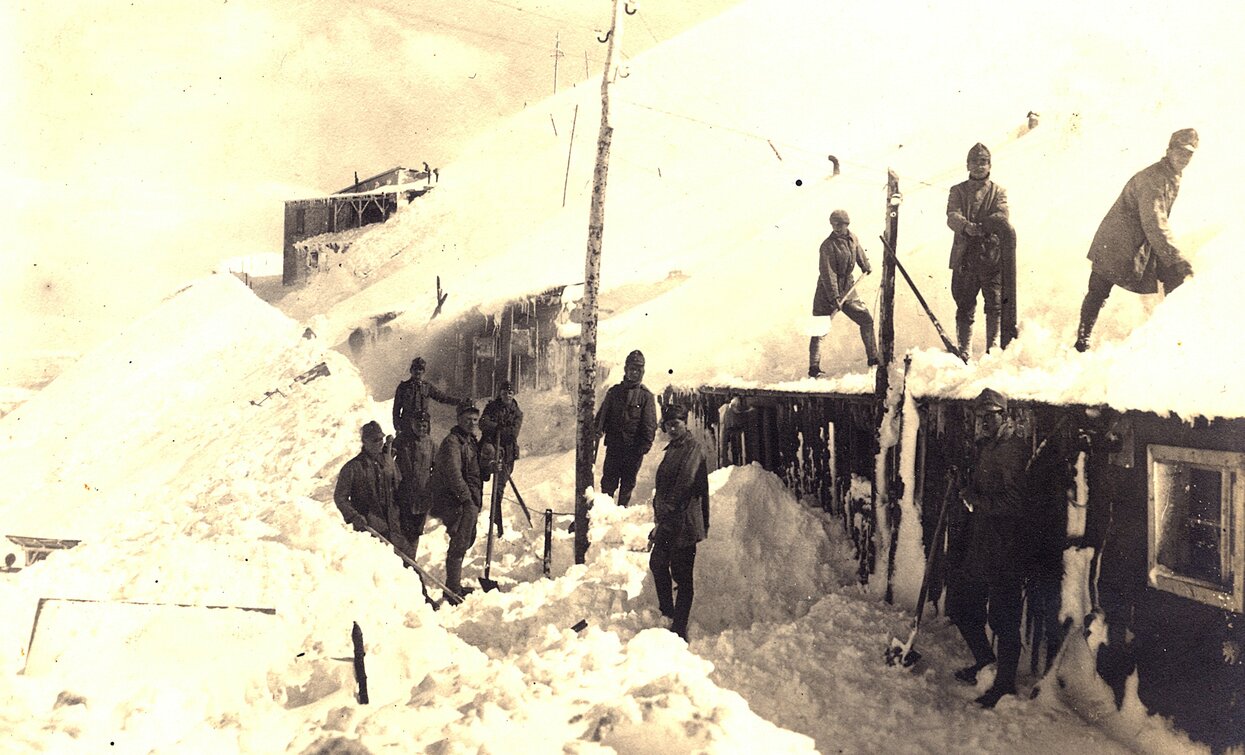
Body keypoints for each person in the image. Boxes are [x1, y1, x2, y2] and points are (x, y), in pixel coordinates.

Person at [1074, 128, 1198, 352]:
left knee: (1173, 276)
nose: (1184, 158)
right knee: (1100, 287)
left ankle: (1172, 335)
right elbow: (1154, 222)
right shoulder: (1154, 178)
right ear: (1169, 150)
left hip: (1138, 241)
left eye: (1189, 154)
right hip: (1116, 240)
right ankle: (1083, 338)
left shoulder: (1171, 176)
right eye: (1180, 151)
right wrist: (1176, 257)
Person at [947, 388, 1033, 708]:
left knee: (1003, 618)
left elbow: (1015, 502)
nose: (982, 422)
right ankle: (985, 662)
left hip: (1006, 548)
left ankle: (1005, 684)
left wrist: (976, 501)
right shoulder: (987, 447)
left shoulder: (1013, 450)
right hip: (982, 546)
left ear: (1004, 416)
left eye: (988, 416)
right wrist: (963, 485)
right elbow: (984, 489)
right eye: (979, 417)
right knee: (962, 606)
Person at [649, 403, 710, 642]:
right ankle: (667, 613)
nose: (672, 428)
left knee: (683, 576)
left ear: (685, 423)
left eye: (676, 424)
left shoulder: (693, 449)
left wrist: (666, 511)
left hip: (685, 521)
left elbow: (684, 482)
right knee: (657, 563)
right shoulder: (672, 448)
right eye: (668, 425)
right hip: (669, 520)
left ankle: (679, 627)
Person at [947, 143, 1010, 357]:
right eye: (974, 161)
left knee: (994, 305)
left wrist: (981, 227)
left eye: (983, 162)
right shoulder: (957, 190)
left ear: (990, 165)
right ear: (967, 165)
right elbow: (952, 216)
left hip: (991, 257)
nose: (979, 166)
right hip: (965, 257)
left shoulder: (998, 191)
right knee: (964, 306)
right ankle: (964, 352)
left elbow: (1001, 215)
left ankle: (992, 349)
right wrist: (966, 226)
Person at [426, 403, 491, 601]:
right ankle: (452, 590)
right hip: (456, 500)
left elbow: (478, 471)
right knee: (459, 543)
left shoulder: (471, 441)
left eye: (474, 420)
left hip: (470, 498)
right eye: (467, 419)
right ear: (458, 420)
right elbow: (454, 473)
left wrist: (490, 467)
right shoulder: (452, 442)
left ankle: (455, 586)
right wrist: (466, 499)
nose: (472, 423)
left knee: (465, 540)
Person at [809, 209, 878, 377]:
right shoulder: (827, 245)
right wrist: (834, 297)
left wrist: (865, 264)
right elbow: (828, 272)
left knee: (866, 320)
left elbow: (859, 252)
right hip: (826, 291)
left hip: (848, 287)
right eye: (834, 224)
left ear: (847, 224)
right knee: (820, 328)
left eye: (840, 225)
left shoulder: (852, 238)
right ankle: (814, 368)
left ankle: (874, 359)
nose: (837, 228)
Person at [594, 349, 658, 507]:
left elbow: (650, 425)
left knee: (627, 485)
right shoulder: (614, 393)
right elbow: (601, 417)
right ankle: (605, 514)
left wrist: (643, 448)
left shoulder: (646, 397)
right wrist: (598, 430)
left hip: (633, 450)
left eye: (638, 370)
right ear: (625, 370)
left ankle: (621, 513)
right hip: (614, 447)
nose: (634, 373)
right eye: (632, 369)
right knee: (608, 483)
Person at [334, 421, 402, 545]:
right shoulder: (353, 467)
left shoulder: (388, 462)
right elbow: (340, 497)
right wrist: (354, 516)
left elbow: (399, 488)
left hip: (393, 526)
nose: (379, 443)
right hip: (370, 529)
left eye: (381, 439)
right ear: (365, 442)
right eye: (374, 440)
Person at [393, 411, 435, 557]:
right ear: (412, 424)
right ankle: (404, 561)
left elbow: (436, 468)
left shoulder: (430, 443)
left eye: (424, 425)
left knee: (416, 532)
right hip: (403, 493)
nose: (421, 428)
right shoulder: (402, 440)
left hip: (422, 496)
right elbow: (388, 458)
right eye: (418, 425)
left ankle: (411, 559)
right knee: (403, 529)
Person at [393, 357, 462, 437]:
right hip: (407, 426)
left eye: (420, 369)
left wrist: (459, 401)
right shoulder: (403, 387)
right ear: (411, 371)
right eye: (415, 369)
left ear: (423, 372)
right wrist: (397, 427)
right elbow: (396, 410)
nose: (418, 372)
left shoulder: (427, 387)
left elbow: (442, 398)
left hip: (423, 426)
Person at [480, 380, 524, 484]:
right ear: (500, 394)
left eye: (510, 393)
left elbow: (513, 434)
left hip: (508, 451)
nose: (507, 396)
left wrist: (497, 430)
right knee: (480, 477)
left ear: (513, 395)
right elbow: (483, 423)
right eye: (504, 393)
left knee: (500, 486)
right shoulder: (491, 407)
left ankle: (497, 501)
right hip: (490, 447)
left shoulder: (517, 413)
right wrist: (497, 427)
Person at [719, 395, 753, 466]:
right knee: (727, 442)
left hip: (736, 426)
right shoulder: (726, 411)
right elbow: (723, 440)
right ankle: (729, 462)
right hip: (728, 424)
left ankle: (737, 462)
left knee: (737, 445)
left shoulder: (740, 409)